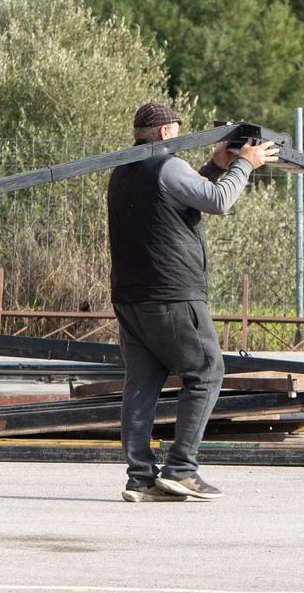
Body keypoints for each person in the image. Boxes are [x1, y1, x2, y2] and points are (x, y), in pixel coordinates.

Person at [106, 102, 278, 502]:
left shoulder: (122, 172)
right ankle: (182, 469)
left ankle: (141, 479)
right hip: (173, 293)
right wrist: (245, 164)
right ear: (167, 132)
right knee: (206, 370)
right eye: (179, 132)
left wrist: (216, 164)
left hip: (131, 297)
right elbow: (218, 201)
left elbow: (181, 197)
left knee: (141, 385)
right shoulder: (168, 165)